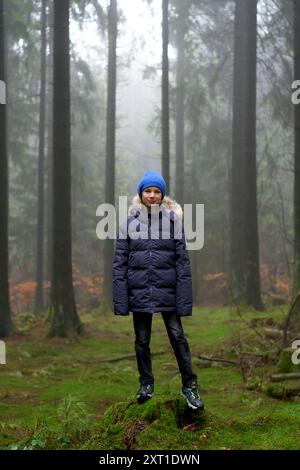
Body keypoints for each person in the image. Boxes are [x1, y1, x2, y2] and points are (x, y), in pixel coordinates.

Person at [112, 170, 204, 410]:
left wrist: (184, 301)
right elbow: (119, 264)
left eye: (156, 191)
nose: (152, 195)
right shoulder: (127, 225)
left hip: (169, 293)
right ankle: (146, 384)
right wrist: (121, 301)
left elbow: (183, 263)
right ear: (140, 195)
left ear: (162, 196)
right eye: (147, 191)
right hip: (139, 292)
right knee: (142, 340)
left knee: (178, 337)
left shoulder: (174, 222)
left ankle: (190, 387)